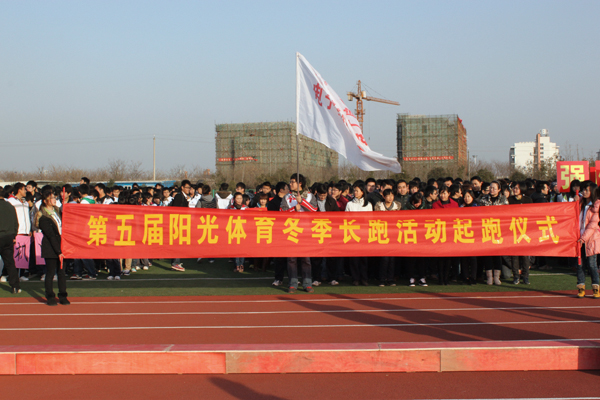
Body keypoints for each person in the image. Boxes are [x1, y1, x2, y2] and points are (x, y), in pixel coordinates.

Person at [281, 174, 317, 293]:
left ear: (300, 183)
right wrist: (293, 210)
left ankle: (307, 283)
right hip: (292, 231)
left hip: (306, 232)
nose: (290, 184)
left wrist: (302, 202)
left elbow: (314, 210)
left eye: (293, 182)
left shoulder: (310, 196)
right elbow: (281, 212)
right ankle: (293, 283)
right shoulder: (287, 197)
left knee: (306, 259)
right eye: (290, 182)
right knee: (291, 259)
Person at [35, 190, 69, 306]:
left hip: (62, 245)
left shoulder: (58, 211)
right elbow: (51, 235)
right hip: (50, 247)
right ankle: (50, 296)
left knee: (61, 272)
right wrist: (58, 251)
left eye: (54, 197)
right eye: (51, 198)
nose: (54, 200)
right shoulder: (43, 216)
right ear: (45, 201)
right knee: (50, 273)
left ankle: (63, 295)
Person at [479, 181, 508, 285]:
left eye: (494, 188)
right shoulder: (483, 199)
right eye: (490, 188)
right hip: (486, 228)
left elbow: (506, 213)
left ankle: (496, 277)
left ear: (499, 189)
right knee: (487, 254)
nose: (491, 190)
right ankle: (489, 277)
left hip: (499, 230)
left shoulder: (503, 199)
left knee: (497, 254)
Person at [346, 182, 373, 286]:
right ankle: (355, 278)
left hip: (364, 234)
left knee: (363, 258)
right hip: (353, 233)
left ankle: (364, 278)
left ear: (362, 192)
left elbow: (370, 220)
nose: (355, 192)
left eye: (357, 190)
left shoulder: (368, 205)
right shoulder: (349, 204)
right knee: (354, 258)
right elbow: (346, 219)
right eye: (354, 190)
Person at [576, 185, 600, 298]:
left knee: (592, 265)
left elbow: (592, 225)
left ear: (592, 191)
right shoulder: (580, 203)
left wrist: (583, 238)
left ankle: (596, 288)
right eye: (583, 190)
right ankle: (581, 287)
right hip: (578, 238)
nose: (584, 192)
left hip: (590, 239)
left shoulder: (596, 205)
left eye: (586, 190)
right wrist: (576, 201)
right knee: (580, 264)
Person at [0, 188, 21, 294]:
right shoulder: (10, 206)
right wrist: (13, 235)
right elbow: (16, 223)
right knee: (10, 263)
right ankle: (15, 286)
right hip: (8, 237)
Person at [228, 192, 248, 272]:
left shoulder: (245, 207)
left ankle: (242, 264)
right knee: (235, 249)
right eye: (237, 198)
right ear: (234, 199)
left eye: (240, 198)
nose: (239, 200)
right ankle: (236, 265)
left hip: (243, 230)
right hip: (234, 230)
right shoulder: (230, 208)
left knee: (242, 249)